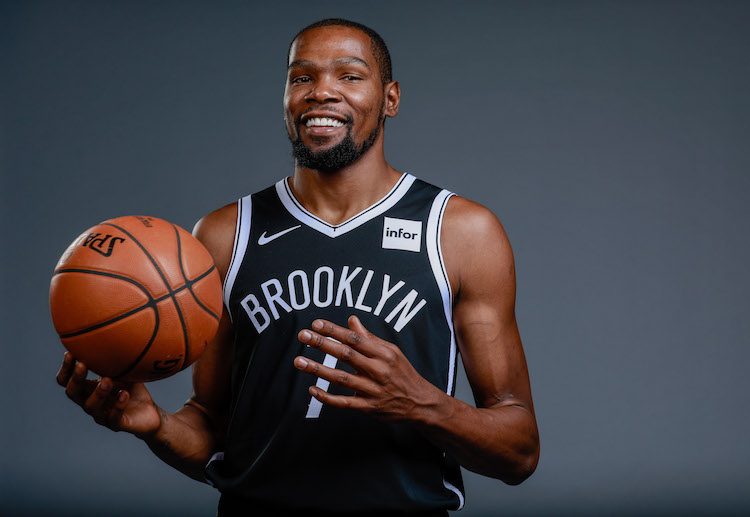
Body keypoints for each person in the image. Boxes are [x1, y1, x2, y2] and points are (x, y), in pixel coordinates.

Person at [57, 18, 539, 516]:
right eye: (302, 77)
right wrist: (157, 425)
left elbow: (519, 451)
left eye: (349, 76)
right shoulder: (225, 234)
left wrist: (424, 403)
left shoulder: (460, 232)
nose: (321, 91)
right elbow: (211, 431)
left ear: (390, 99)